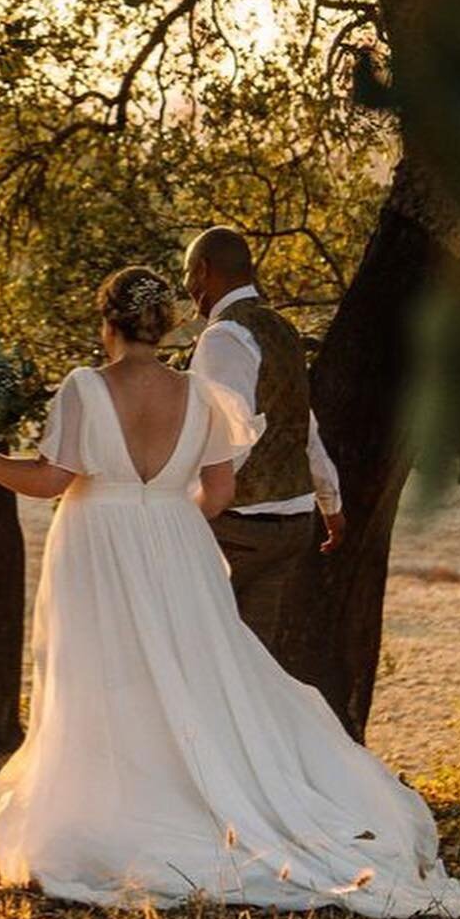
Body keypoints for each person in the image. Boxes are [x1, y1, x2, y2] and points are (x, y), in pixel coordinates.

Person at [0, 266, 460, 919]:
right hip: (178, 542)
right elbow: (221, 492)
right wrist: (169, 523)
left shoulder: (83, 389)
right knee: (191, 670)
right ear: (167, 324)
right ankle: (195, 794)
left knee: (101, 671)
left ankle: (116, 804)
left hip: (99, 545)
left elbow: (50, 477)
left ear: (108, 323)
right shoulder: (198, 396)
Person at [183, 226, 342, 669]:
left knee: (196, 653)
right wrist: (331, 501)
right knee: (252, 665)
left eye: (188, 277)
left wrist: (187, 506)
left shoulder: (223, 337)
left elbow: (230, 435)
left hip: (240, 528)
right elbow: (301, 419)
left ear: (204, 271)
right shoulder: (281, 329)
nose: (189, 291)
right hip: (292, 522)